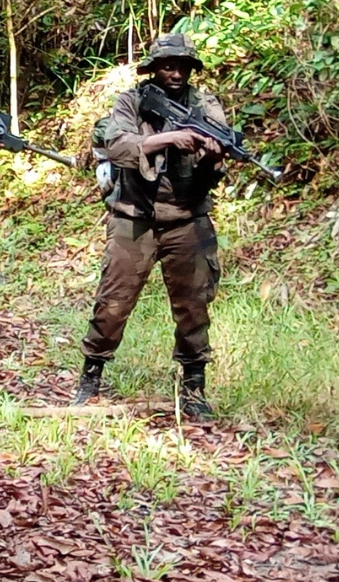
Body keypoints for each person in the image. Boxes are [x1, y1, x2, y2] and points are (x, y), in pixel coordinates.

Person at [76, 30, 231, 420]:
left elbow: (218, 163)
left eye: (182, 66)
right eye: (167, 65)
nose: (175, 73)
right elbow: (117, 146)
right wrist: (167, 139)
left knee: (194, 305)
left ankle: (194, 388)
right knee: (113, 302)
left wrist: (213, 155)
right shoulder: (132, 101)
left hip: (187, 217)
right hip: (135, 216)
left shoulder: (204, 104)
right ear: (153, 69)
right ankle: (91, 377)